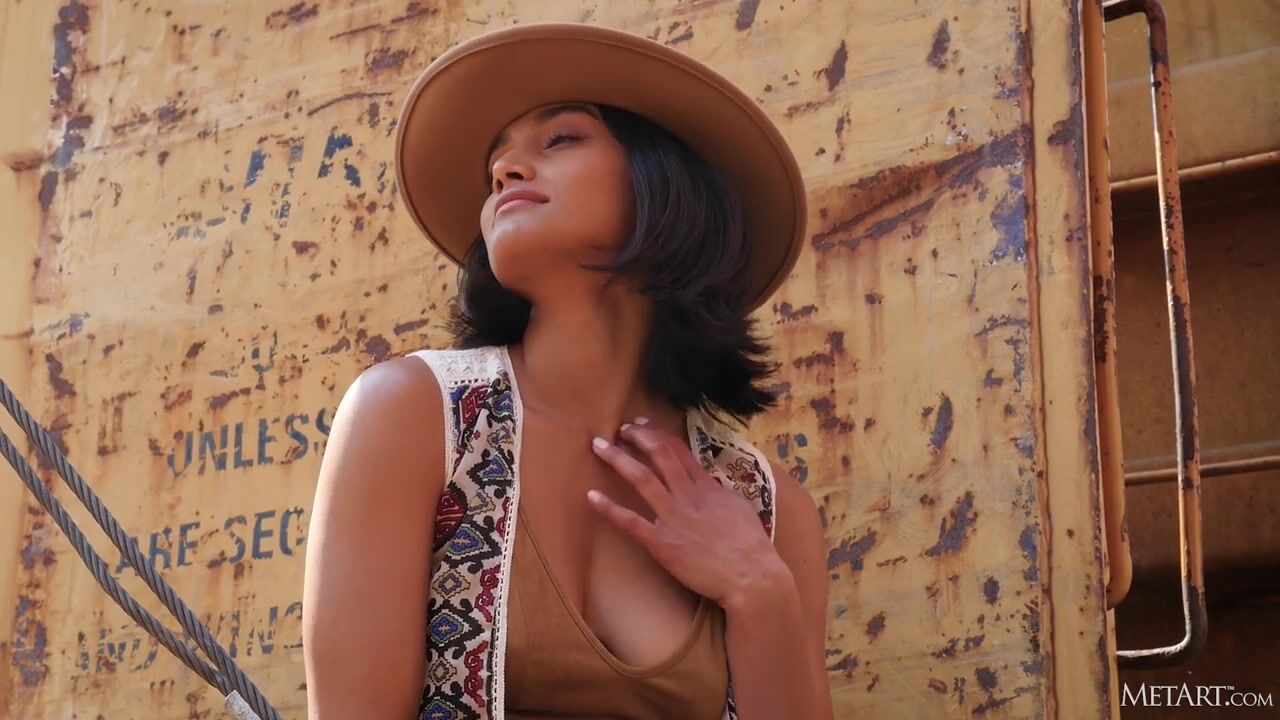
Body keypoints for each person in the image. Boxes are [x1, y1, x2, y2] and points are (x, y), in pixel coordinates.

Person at [302, 22, 833, 720]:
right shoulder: (414, 414)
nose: (505, 170)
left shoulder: (768, 510)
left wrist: (759, 589)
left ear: (665, 183)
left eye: (560, 139)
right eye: (495, 164)